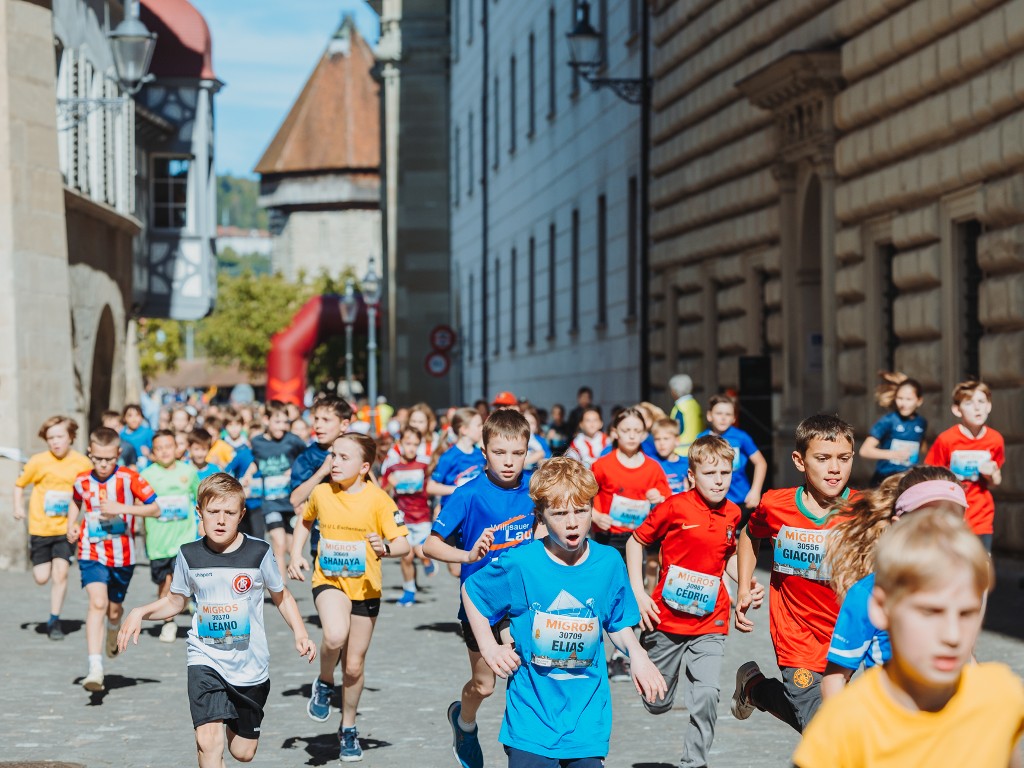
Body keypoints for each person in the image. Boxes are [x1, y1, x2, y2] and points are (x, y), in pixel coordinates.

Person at [463, 456, 667, 767]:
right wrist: (489, 647)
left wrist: (638, 655)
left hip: (587, 717)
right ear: (540, 516)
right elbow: (473, 593)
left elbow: (617, 622)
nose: (572, 522)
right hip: (532, 716)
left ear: (592, 509)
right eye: (559, 513)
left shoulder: (608, 562)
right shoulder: (522, 563)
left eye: (581, 511)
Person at [792, 509, 1024, 768]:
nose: (952, 635)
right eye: (930, 612)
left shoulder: (1002, 697)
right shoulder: (847, 723)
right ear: (881, 609)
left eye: (967, 613)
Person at [118, 474, 316, 768]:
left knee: (243, 752)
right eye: (213, 512)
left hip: (249, 664)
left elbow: (281, 595)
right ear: (199, 512)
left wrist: (300, 633)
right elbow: (176, 601)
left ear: (242, 515)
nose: (221, 520)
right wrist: (140, 611)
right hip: (205, 657)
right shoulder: (189, 554)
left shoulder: (259, 552)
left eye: (229, 513)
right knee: (208, 741)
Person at [626, 436, 764, 768]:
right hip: (667, 619)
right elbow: (635, 541)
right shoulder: (673, 507)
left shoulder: (732, 512)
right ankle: (651, 671)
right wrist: (639, 593)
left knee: (706, 695)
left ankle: (694, 762)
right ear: (691, 476)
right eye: (711, 473)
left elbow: (727, 556)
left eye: (726, 473)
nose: (719, 481)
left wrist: (744, 585)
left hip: (710, 619)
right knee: (656, 702)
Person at [422, 409, 537, 768]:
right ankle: (464, 721)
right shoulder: (468, 493)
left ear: (527, 452)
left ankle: (523, 746)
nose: (508, 462)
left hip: (525, 604)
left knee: (527, 674)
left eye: (517, 453)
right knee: (485, 685)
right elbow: (430, 545)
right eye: (500, 453)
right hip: (480, 606)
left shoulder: (535, 489)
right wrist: (468, 553)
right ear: (484, 452)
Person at [288, 433, 410, 762]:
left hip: (366, 589)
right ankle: (325, 682)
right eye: (333, 456)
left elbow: (403, 544)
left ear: (364, 466)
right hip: (328, 580)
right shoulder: (322, 492)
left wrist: (384, 548)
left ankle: (348, 727)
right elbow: (305, 520)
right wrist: (295, 552)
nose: (335, 463)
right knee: (335, 634)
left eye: (343, 458)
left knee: (354, 668)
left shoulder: (379, 500)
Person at [731, 414, 856, 733]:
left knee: (833, 716)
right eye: (823, 458)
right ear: (800, 460)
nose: (834, 468)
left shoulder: (862, 511)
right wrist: (743, 586)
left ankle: (754, 688)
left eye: (843, 458)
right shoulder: (776, 505)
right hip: (795, 632)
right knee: (818, 724)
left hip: (845, 633)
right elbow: (748, 533)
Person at [820, 467, 965, 701]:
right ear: (899, 524)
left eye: (951, 519)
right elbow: (836, 678)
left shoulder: (960, 587)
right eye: (926, 518)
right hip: (891, 730)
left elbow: (966, 660)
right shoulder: (870, 593)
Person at [65, 427, 160, 691]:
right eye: (98, 459)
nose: (104, 464)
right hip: (91, 551)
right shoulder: (82, 480)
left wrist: (123, 508)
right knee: (97, 603)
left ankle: (113, 628)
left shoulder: (130, 478)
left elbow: (155, 508)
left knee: (114, 609)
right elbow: (76, 500)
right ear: (90, 454)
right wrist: (72, 524)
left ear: (118, 453)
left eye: (109, 459)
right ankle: (95, 668)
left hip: (123, 554)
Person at [13, 415, 93, 640]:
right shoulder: (38, 461)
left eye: (60, 436)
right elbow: (20, 484)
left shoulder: (81, 463)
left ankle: (54, 619)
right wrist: (18, 507)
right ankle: (41, 571)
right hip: (40, 527)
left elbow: (91, 489)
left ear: (71, 437)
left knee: (61, 574)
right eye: (50, 438)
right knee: (41, 577)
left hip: (65, 529)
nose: (55, 442)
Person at [925, 379, 1005, 551]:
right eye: (969, 403)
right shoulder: (946, 440)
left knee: (982, 570)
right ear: (957, 410)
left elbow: (995, 482)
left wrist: (991, 474)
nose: (977, 407)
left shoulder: (995, 439)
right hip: (952, 516)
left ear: (989, 406)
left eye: (981, 402)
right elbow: (929, 477)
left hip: (982, 515)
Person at [141, 429, 201, 643]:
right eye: (159, 448)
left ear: (177, 448)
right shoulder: (147, 475)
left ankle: (190, 616)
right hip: (158, 542)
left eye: (168, 446)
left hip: (183, 541)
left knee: (181, 582)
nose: (165, 452)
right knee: (164, 585)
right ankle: (168, 622)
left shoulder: (188, 472)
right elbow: (140, 505)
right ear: (153, 453)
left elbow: (199, 498)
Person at [289, 396, 356, 560]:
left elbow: (375, 490)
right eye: (316, 419)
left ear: (344, 424)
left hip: (356, 535)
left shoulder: (357, 450)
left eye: (326, 420)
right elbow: (295, 499)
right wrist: (322, 472)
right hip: (323, 538)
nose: (318, 425)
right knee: (326, 584)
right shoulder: (308, 456)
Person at [251, 401, 308, 582]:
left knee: (292, 546)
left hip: (291, 502)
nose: (282, 427)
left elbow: (307, 460)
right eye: (278, 422)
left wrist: (296, 471)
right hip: (271, 503)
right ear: (266, 420)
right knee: (279, 542)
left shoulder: (293, 440)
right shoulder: (257, 442)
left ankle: (291, 570)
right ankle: (280, 587)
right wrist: (247, 475)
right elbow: (255, 462)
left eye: (286, 422)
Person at [382, 426, 434, 606]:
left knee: (421, 551)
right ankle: (409, 590)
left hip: (422, 517)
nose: (411, 448)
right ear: (400, 444)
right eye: (407, 443)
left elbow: (432, 488)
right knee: (407, 556)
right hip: (402, 518)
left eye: (415, 444)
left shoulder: (424, 466)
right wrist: (390, 485)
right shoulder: (393, 468)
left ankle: (427, 560)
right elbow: (383, 492)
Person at [698, 394, 768, 520]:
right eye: (719, 413)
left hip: (740, 499)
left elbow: (761, 463)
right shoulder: (701, 439)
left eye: (728, 414)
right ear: (709, 415)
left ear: (734, 418)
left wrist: (755, 491)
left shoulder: (741, 437)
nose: (723, 418)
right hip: (711, 499)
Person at [859, 373, 927, 486]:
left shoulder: (921, 422)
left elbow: (921, 447)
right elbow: (865, 451)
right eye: (900, 398)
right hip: (885, 480)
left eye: (909, 399)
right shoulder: (888, 421)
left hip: (908, 481)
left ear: (919, 401)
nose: (903, 404)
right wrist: (893, 454)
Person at [427, 408, 486, 501]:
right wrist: (460, 489)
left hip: (474, 511)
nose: (482, 428)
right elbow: (431, 487)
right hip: (454, 511)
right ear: (464, 430)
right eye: (478, 425)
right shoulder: (448, 457)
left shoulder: (480, 454)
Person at [651, 417, 688, 495]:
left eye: (666, 439)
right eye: (657, 439)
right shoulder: (652, 463)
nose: (661, 443)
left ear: (677, 441)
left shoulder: (687, 463)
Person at [668, 374, 702, 456]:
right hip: (697, 450)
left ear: (673, 391)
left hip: (681, 452)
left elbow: (675, 431)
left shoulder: (679, 408)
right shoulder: (695, 404)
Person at [120, 404, 154, 468]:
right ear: (124, 418)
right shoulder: (121, 435)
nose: (134, 419)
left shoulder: (148, 432)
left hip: (146, 468)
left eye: (137, 415)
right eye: (130, 415)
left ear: (142, 418)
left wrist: (148, 454)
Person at [522, 407, 552, 475]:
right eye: (526, 422)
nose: (529, 425)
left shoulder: (541, 441)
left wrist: (539, 459)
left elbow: (547, 458)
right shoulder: (515, 439)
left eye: (532, 423)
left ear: (536, 427)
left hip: (535, 476)